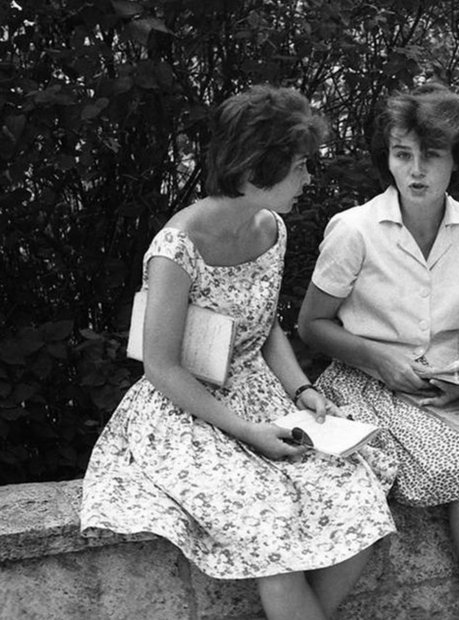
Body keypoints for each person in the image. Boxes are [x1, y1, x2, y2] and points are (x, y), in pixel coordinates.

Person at [80, 85, 397, 620]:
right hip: (186, 412)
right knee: (271, 529)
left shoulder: (271, 227)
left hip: (261, 397)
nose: (308, 178)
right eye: (300, 166)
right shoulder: (175, 248)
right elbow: (160, 366)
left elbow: (265, 324)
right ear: (255, 169)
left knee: (362, 503)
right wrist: (247, 432)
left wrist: (302, 389)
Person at [297, 83, 459, 620]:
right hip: (370, 383)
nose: (416, 170)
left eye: (432, 156)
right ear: (388, 159)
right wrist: (380, 360)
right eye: (403, 155)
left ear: (456, 161)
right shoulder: (354, 230)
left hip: (456, 383)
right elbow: (311, 325)